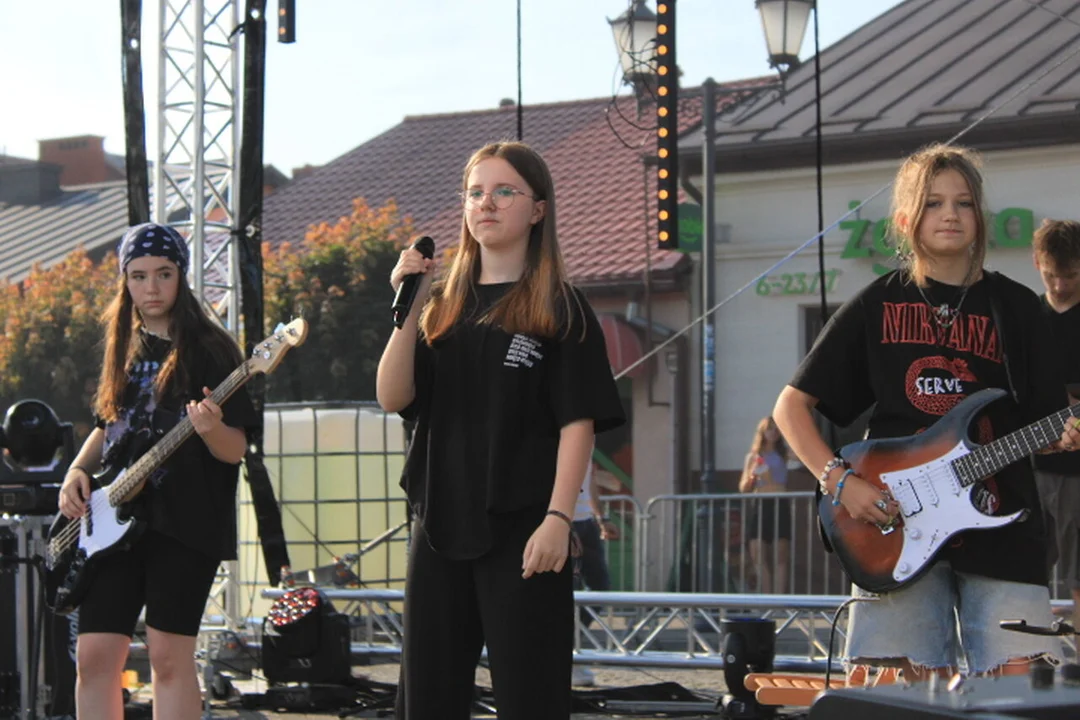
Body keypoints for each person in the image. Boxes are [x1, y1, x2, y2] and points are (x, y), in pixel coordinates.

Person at [772, 144, 1080, 680]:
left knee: (1022, 691)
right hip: (895, 525)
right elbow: (790, 407)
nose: (950, 215)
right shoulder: (878, 302)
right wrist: (840, 483)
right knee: (903, 698)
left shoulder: (1018, 307)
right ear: (905, 219)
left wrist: (1063, 434)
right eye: (933, 203)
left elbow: (1050, 423)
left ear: (979, 216)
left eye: (963, 203)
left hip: (1004, 525)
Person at [376, 141, 625, 719]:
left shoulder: (561, 306)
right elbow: (392, 396)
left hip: (525, 530)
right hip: (439, 524)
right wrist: (408, 306)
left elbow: (578, 423)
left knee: (529, 694)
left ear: (537, 209)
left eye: (504, 191)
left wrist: (559, 518)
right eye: (475, 192)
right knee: (429, 696)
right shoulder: (442, 303)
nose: (486, 203)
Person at [57, 222, 258, 720]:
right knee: (94, 656)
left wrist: (210, 429)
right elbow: (108, 425)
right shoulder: (124, 345)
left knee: (168, 658)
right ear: (125, 281)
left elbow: (235, 450)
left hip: (185, 524)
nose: (151, 287)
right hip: (114, 522)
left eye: (163, 274)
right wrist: (77, 470)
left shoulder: (212, 349)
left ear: (181, 277)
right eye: (139, 275)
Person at [1030, 219, 1080, 623]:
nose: (1060, 285)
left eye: (1071, 275)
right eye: (1051, 275)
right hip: (1028, 465)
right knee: (1023, 577)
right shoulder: (1026, 316)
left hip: (1077, 475)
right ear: (1037, 264)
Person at [570, 454, 620, 687]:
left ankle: (570, 645)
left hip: (586, 523)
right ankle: (567, 657)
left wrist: (601, 518)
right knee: (569, 593)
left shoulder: (587, 440)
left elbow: (589, 480)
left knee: (600, 589)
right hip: (563, 522)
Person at [738, 416, 791, 594]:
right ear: (762, 432)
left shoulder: (784, 453)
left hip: (780, 502)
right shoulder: (753, 457)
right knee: (757, 553)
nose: (773, 433)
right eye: (769, 429)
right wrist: (752, 477)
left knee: (780, 554)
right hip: (760, 503)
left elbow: (801, 455)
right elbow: (743, 487)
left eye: (776, 429)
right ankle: (767, 597)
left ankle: (780, 599)